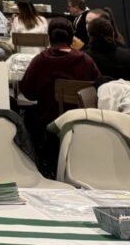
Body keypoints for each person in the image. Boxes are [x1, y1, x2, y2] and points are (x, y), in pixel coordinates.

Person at [19, 17, 100, 176]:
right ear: (71, 37)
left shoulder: (40, 60)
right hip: (81, 121)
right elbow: (98, 88)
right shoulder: (85, 60)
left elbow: (28, 93)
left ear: (49, 37)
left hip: (47, 122)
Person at [85, 17, 130, 88]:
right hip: (129, 94)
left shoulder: (85, 58)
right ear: (113, 33)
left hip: (98, 95)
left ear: (89, 35)